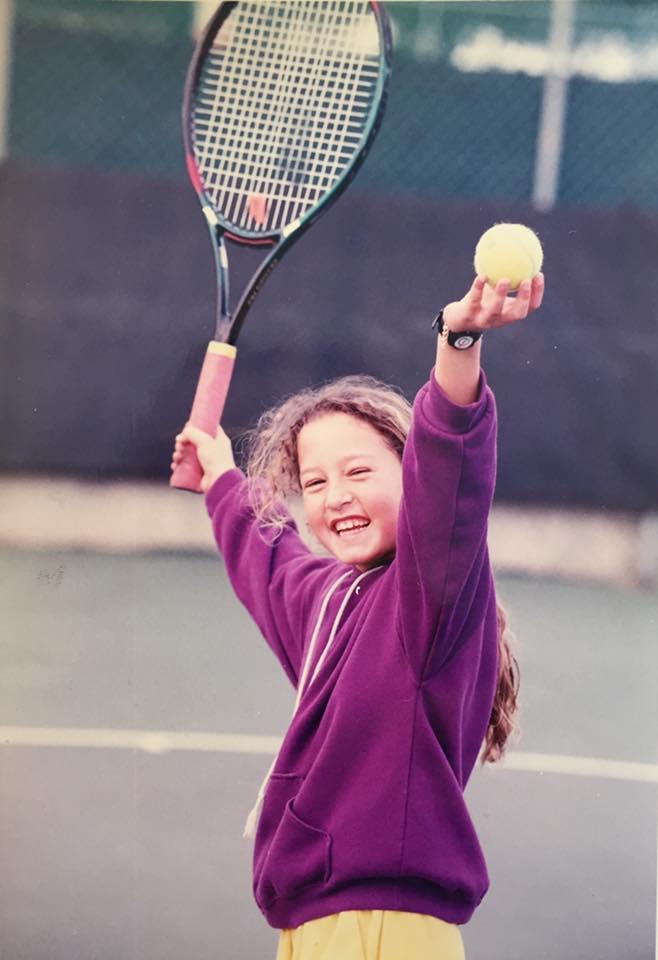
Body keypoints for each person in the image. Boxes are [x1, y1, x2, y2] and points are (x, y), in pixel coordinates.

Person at [171, 272, 545, 959]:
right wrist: (221, 475)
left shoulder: (429, 594)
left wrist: (458, 341)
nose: (334, 496)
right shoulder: (328, 605)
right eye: (314, 483)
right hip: (312, 930)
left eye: (360, 472)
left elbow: (452, 461)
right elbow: (269, 559)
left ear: (411, 475)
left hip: (381, 931)